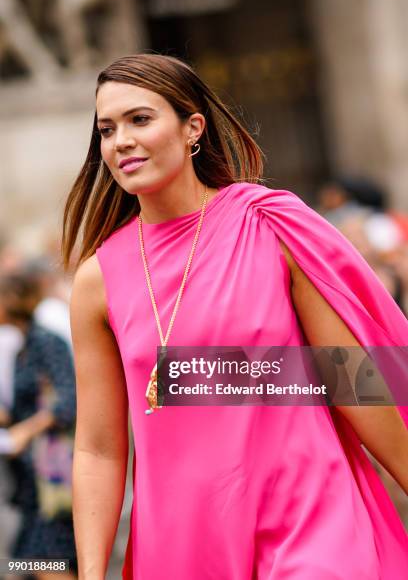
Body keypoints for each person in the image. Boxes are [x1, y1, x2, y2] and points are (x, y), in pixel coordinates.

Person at [62, 54, 408, 580]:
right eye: (106, 130)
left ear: (192, 127)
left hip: (311, 519)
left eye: (140, 119)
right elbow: (99, 448)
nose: (121, 141)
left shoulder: (269, 224)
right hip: (184, 544)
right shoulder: (97, 281)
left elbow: (350, 380)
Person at [0, 271, 77, 579]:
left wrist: (25, 431)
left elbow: (69, 400)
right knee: (29, 564)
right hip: (31, 485)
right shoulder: (19, 347)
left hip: (53, 479)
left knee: (46, 562)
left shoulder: (46, 341)